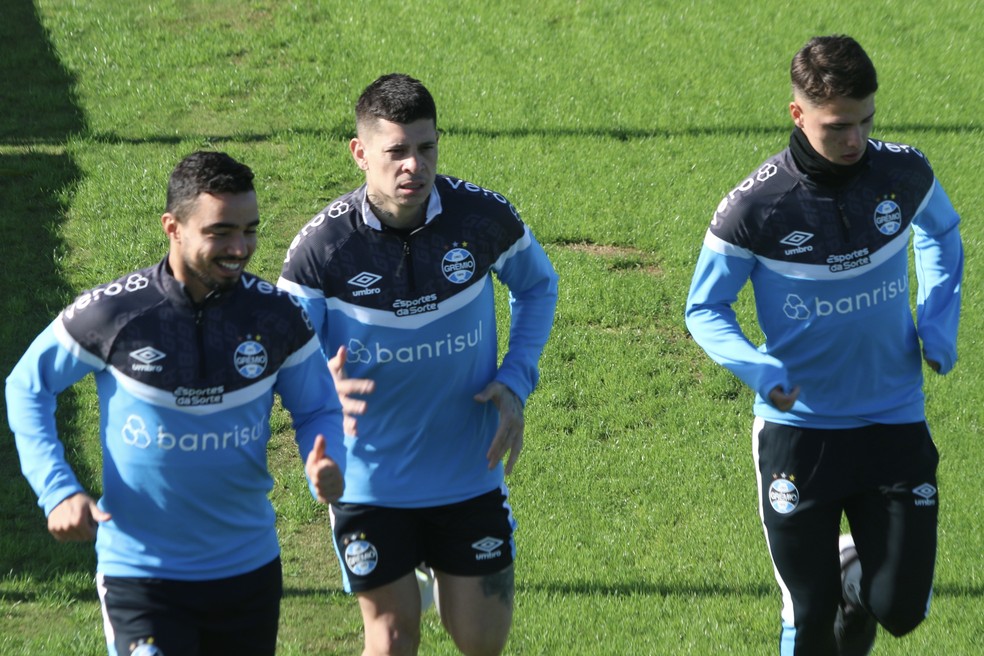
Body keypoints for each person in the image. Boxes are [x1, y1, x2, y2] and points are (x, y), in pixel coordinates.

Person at [685, 35, 963, 656]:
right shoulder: (755, 207)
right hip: (799, 431)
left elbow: (942, 232)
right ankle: (832, 590)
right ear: (797, 114)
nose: (855, 139)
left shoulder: (903, 173)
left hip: (893, 417)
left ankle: (853, 579)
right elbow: (704, 307)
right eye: (838, 126)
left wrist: (938, 322)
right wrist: (759, 369)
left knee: (903, 609)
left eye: (866, 121)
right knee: (809, 618)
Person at [5, 151, 347, 656]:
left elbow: (318, 409)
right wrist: (56, 489)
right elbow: (27, 385)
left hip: (248, 570)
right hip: (141, 575)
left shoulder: (277, 317)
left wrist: (329, 459)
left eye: (249, 230)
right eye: (220, 232)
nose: (240, 248)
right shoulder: (116, 312)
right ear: (173, 227)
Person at [277, 73, 559, 656]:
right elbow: (281, 350)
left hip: (468, 471)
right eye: (397, 151)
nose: (415, 165)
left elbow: (538, 285)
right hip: (368, 480)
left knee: (480, 642)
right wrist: (319, 386)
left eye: (426, 147)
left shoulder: (480, 219)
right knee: (392, 639)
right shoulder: (321, 251)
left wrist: (515, 379)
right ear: (360, 153)